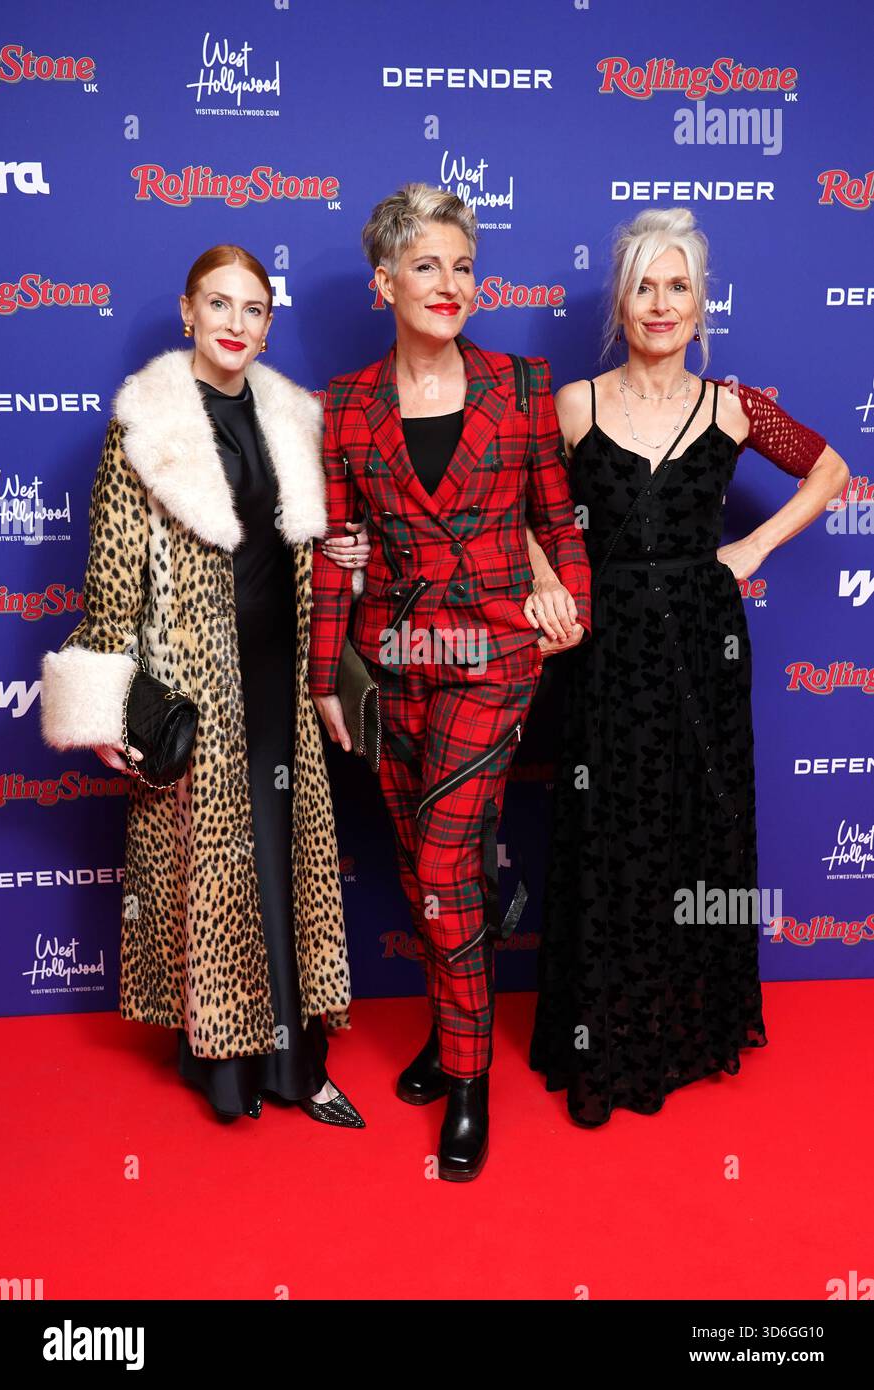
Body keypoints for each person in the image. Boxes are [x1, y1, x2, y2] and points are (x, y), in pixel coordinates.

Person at [529, 207, 849, 1127]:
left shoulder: (733, 406)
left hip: (702, 646)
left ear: (701, 303)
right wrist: (552, 580)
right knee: (610, 830)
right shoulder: (576, 404)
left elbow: (829, 470)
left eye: (678, 286)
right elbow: (516, 509)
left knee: (692, 829)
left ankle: (687, 1026)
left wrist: (751, 547)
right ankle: (605, 1032)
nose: (660, 304)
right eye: (643, 286)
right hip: (608, 641)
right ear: (620, 302)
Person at [40, 244, 364, 1126]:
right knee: (214, 872)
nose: (234, 324)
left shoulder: (296, 420)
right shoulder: (141, 425)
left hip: (282, 682)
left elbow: (314, 553)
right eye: (217, 305)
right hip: (195, 686)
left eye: (253, 308)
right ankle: (224, 1068)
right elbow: (110, 579)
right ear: (187, 312)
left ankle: (297, 1068)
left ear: (269, 321)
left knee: (281, 866)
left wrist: (350, 559)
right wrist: (105, 701)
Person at [309, 183, 591, 1179]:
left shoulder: (519, 386)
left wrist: (571, 604)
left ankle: (467, 1083)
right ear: (385, 281)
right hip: (388, 666)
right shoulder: (345, 406)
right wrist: (324, 681)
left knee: (440, 866)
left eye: (462, 266)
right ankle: (447, 1027)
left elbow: (558, 525)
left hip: (492, 660)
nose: (448, 284)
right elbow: (339, 553)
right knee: (431, 868)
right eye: (425, 265)